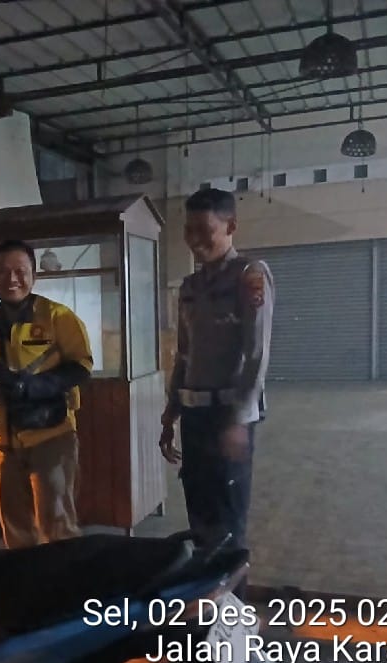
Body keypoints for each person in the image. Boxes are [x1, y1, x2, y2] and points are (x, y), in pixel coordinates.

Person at [159, 188, 274, 595]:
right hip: (194, 416)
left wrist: (239, 421)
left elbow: (256, 354)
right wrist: (171, 410)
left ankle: (235, 614)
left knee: (229, 523)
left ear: (231, 226)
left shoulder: (249, 276)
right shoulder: (190, 286)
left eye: (204, 230)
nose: (194, 240)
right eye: (188, 230)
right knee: (201, 518)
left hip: (228, 418)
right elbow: (184, 353)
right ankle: (207, 604)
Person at [0, 239, 94, 549]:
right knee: (14, 525)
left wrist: (34, 387)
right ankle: (24, 577)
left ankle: (64, 577)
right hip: (3, 438)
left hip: (52, 433)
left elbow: (81, 366)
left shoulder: (58, 317)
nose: (11, 279)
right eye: (2, 271)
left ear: (34, 275)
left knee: (57, 523)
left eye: (20, 271)